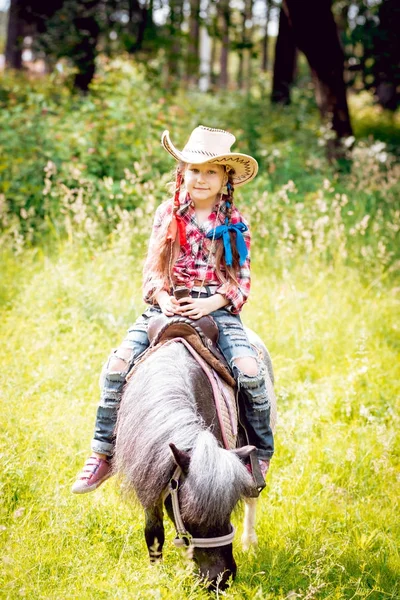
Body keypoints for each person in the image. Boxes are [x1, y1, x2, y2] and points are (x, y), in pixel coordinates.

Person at [72, 125, 274, 494]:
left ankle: (258, 452)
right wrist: (163, 297)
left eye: (211, 171)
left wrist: (210, 304)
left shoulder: (234, 222)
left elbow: (240, 283)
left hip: (216, 308)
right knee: (117, 365)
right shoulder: (168, 214)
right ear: (182, 172)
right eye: (194, 169)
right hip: (168, 304)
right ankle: (103, 453)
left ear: (225, 178)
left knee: (249, 370)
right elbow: (153, 269)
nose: (200, 178)